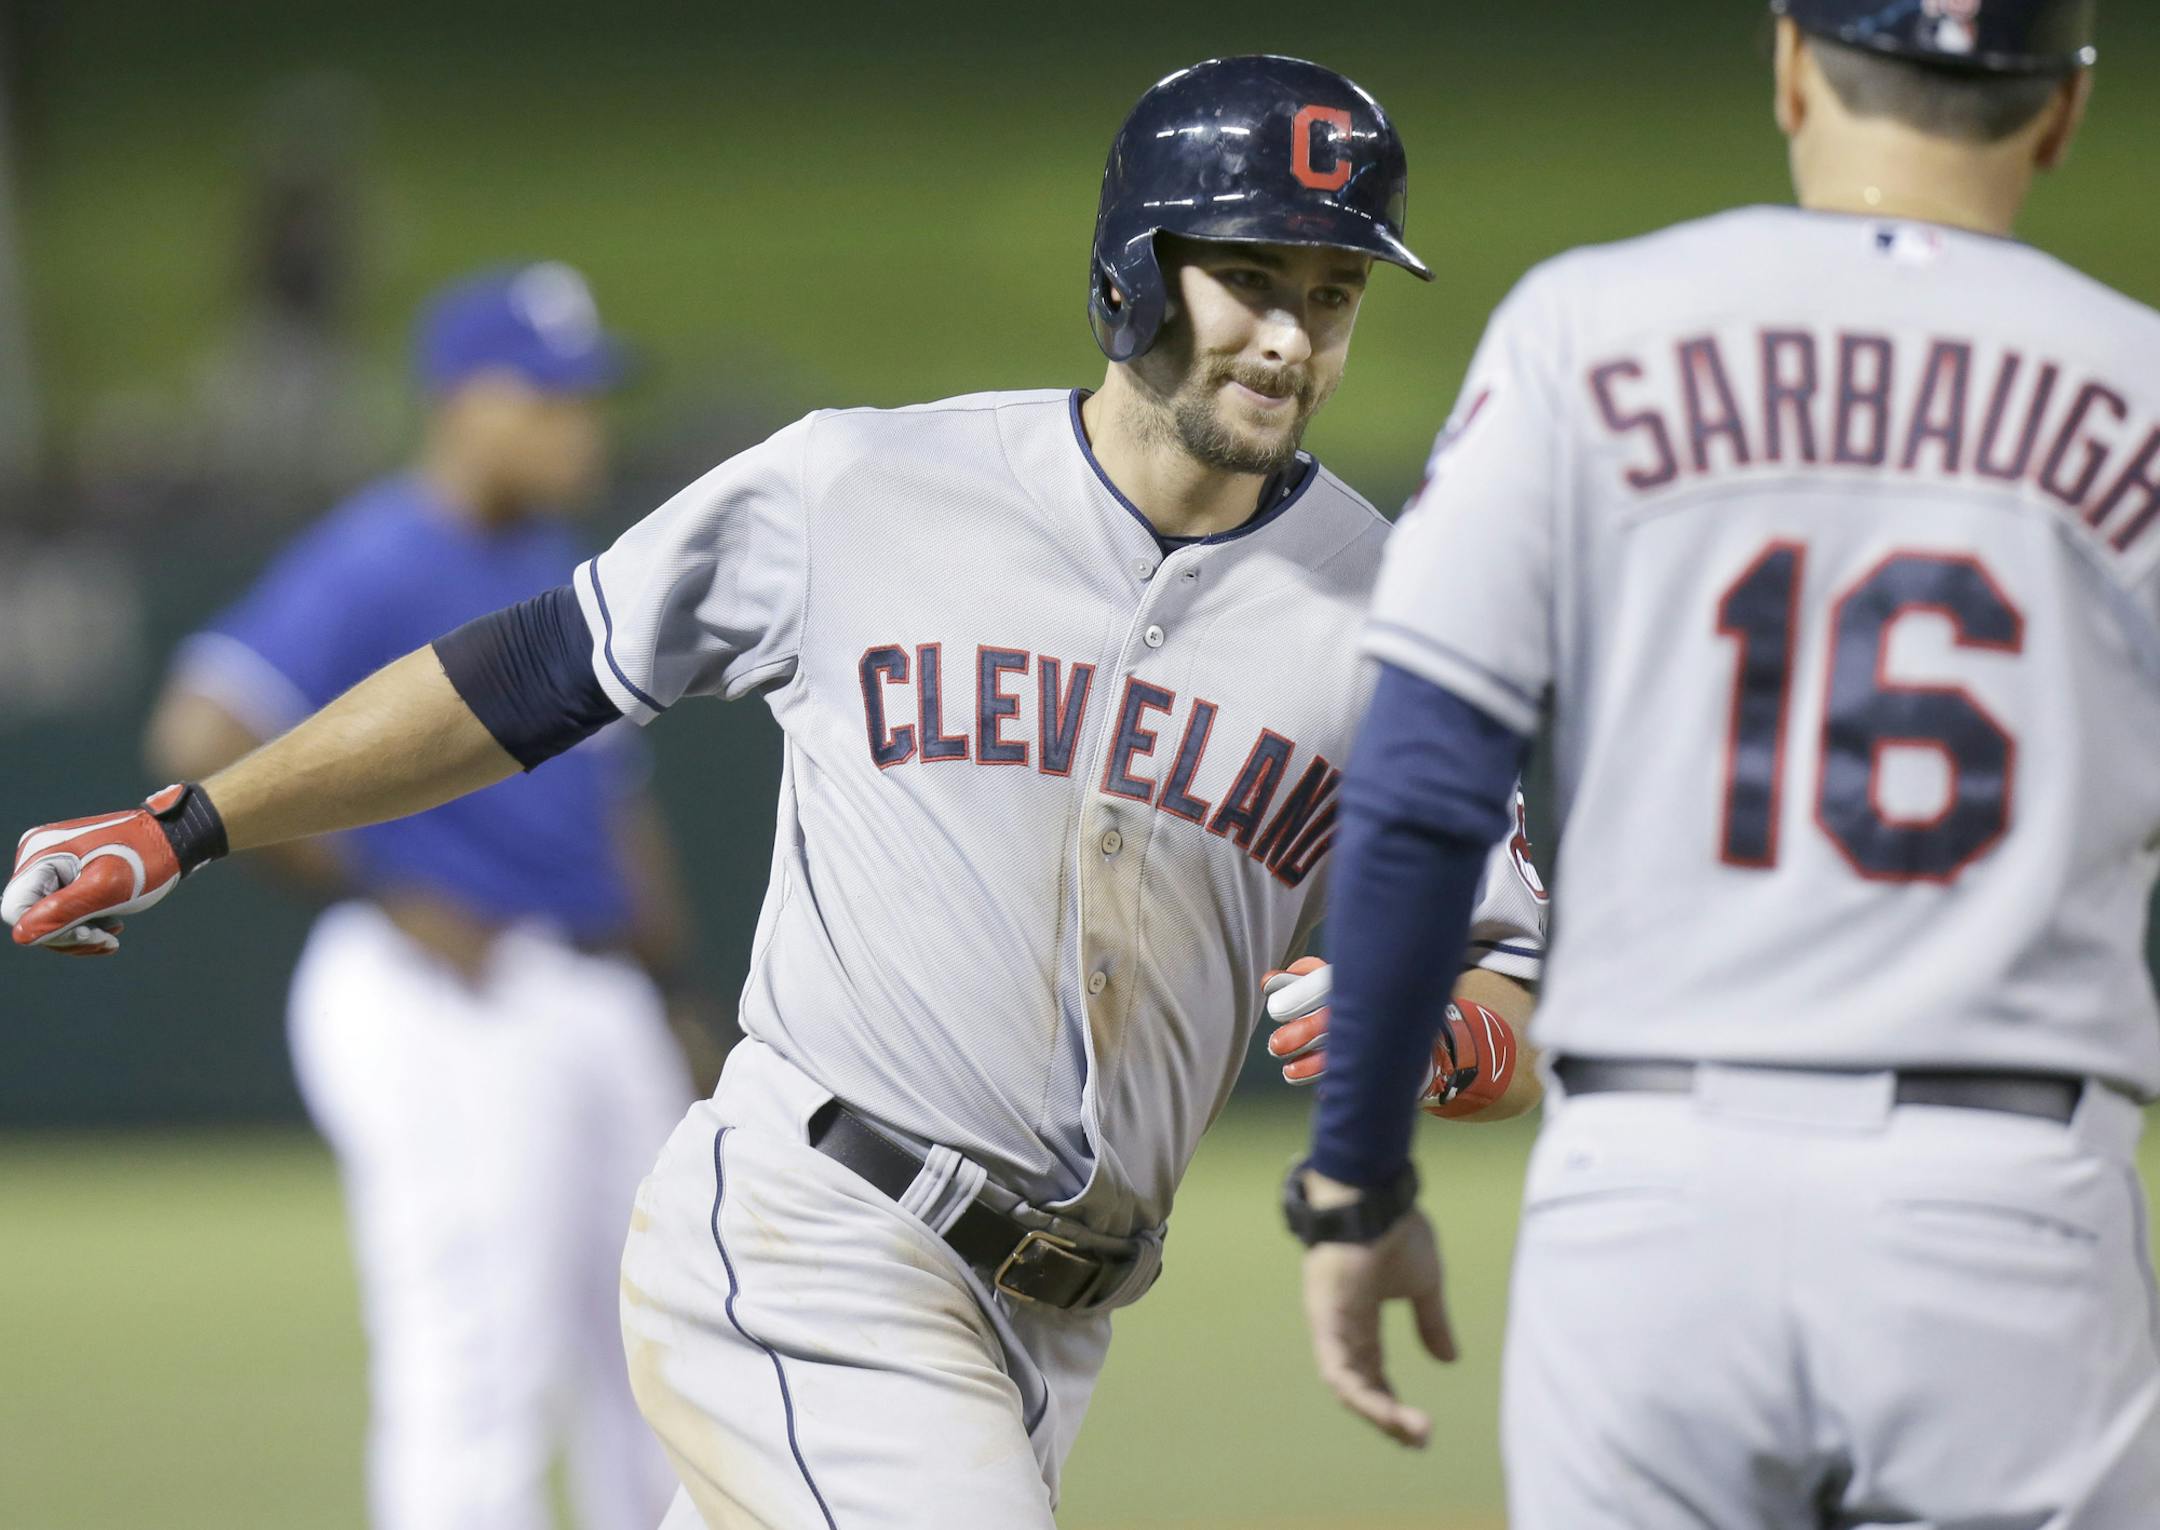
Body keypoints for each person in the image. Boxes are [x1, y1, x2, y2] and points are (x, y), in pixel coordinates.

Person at [4, 58, 1544, 1528]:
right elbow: (535, 672)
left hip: (1056, 1317)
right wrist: (187, 822)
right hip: (820, 1229)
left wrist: (1455, 1029)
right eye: (1254, 279)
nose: (1293, 336)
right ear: (1136, 269)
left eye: (1332, 295)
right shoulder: (867, 490)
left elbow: (1514, 979)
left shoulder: (1403, 610)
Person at [1284, 2, 2160, 1525]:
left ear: (1793, 64)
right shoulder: (2138, 381)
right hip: (2007, 1197)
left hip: (1656, 1199)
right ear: (2065, 109)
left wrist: (1357, 1177)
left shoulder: (1589, 326)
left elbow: (1425, 780)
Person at [144, 262, 696, 1530]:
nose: (581, 425)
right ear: (462, 404)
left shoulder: (563, 563)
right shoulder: (382, 550)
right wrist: (390, 888)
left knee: (672, 1359)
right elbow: (197, 729)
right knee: (477, 1370)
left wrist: (668, 991)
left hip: (589, 989)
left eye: (587, 398)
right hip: (448, 995)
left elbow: (615, 806)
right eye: (549, 397)